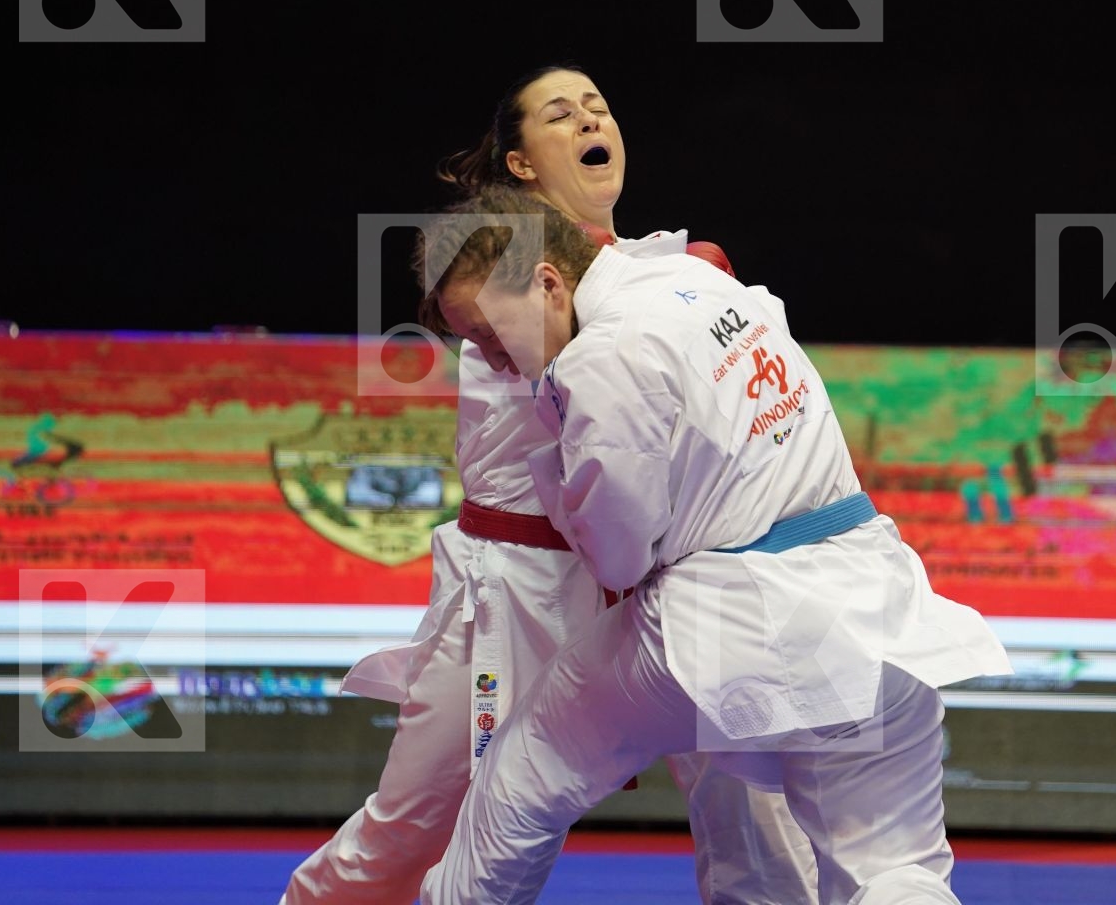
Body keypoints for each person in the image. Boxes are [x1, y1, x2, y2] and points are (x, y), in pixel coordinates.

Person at [280, 66, 818, 905]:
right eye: (561, 116)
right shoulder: (503, 274)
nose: (589, 121)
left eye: (598, 109)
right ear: (521, 163)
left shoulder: (669, 272)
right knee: (415, 824)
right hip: (518, 591)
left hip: (670, 580)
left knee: (753, 810)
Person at [416, 187, 1013, 905]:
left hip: (740, 621)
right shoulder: (698, 277)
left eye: (486, 336)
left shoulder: (600, 357)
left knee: (525, 765)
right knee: (893, 872)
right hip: (875, 609)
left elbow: (620, 557)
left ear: (547, 282)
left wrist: (553, 458)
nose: (493, 362)